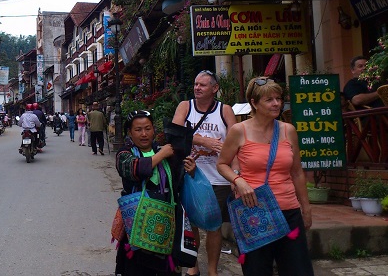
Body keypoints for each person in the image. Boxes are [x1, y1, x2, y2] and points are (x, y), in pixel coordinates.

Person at [217, 77, 313, 276]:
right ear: (254, 103)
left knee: (298, 269)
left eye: (278, 98)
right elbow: (222, 164)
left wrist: (306, 208)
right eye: (269, 99)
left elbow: (297, 172)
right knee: (257, 270)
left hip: (288, 210)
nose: (276, 103)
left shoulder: (288, 131)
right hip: (254, 212)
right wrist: (238, 180)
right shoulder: (239, 131)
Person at [172, 70, 237, 276]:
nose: (197, 88)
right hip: (190, 176)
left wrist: (235, 174)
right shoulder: (186, 107)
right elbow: (174, 133)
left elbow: (237, 141)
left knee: (214, 226)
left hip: (218, 177)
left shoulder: (224, 110)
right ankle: (193, 266)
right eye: (195, 84)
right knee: (191, 224)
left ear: (215, 88)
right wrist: (202, 140)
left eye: (202, 85)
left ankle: (212, 270)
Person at [115, 110, 197, 276]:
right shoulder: (125, 154)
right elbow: (135, 169)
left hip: (166, 221)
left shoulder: (164, 151)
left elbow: (178, 183)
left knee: (167, 268)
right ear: (130, 132)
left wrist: (191, 170)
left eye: (148, 128)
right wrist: (162, 155)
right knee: (137, 269)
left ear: (154, 130)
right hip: (137, 223)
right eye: (138, 130)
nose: (144, 134)